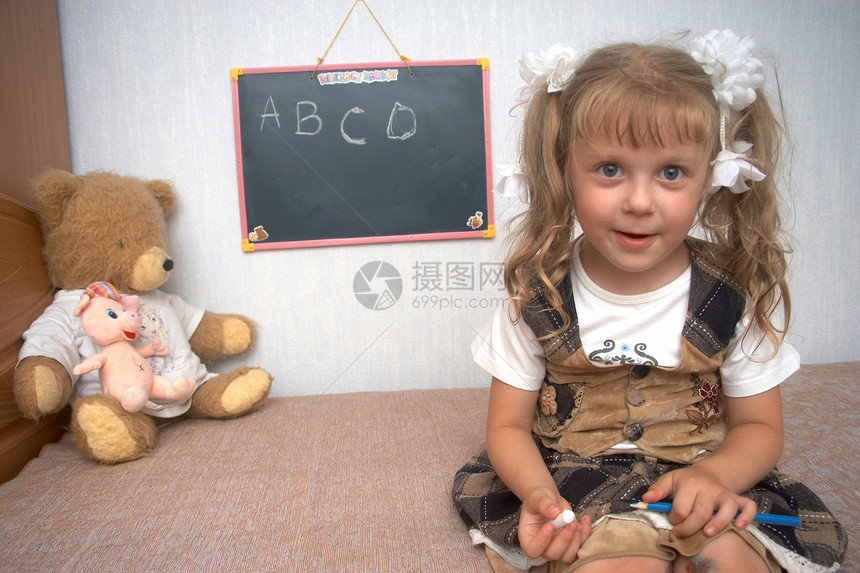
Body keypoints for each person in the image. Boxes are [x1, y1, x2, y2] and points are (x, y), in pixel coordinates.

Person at [452, 30, 846, 573]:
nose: (640, 202)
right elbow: (507, 427)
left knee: (732, 562)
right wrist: (541, 496)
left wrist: (717, 478)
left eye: (671, 172)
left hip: (702, 480)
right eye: (610, 169)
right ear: (565, 169)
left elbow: (760, 427)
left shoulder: (735, 291)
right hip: (578, 486)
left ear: (712, 174)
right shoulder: (537, 293)